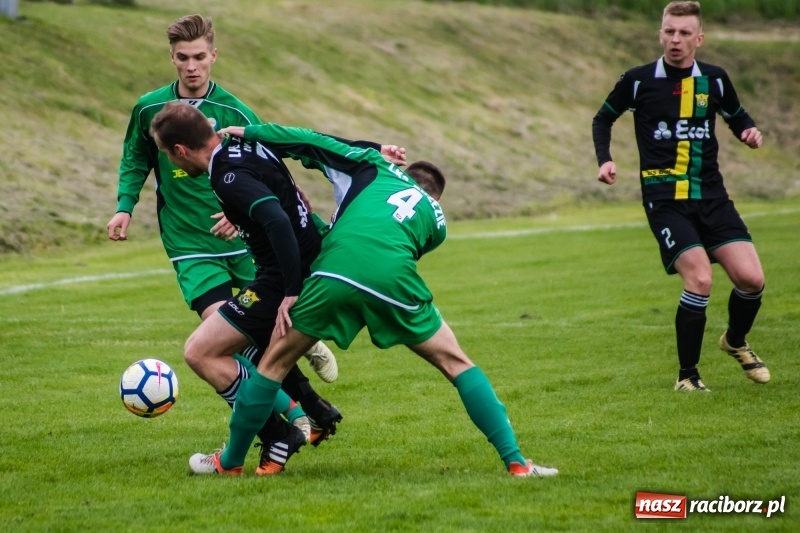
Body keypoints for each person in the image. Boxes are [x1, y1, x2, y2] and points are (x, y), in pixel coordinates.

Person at [148, 102, 559, 478]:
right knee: (457, 363)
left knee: (270, 366)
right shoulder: (438, 220)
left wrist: (255, 131)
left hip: (331, 272)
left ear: (180, 150)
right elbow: (409, 246)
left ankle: (233, 461)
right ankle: (517, 463)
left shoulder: (371, 166)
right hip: (390, 279)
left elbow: (309, 141)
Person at [104, 14, 342, 459]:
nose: (191, 66)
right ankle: (302, 414)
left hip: (248, 245)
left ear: (213, 56)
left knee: (247, 336)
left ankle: (298, 414)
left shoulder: (235, 111)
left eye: (199, 57)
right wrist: (124, 205)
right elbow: (135, 156)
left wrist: (243, 210)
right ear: (171, 58)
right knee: (231, 337)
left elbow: (268, 168)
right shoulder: (148, 109)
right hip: (190, 244)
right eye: (182, 58)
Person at [592, 1, 769, 392]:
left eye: (684, 32)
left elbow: (738, 116)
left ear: (699, 38)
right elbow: (603, 116)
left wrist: (749, 131)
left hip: (712, 196)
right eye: (669, 31)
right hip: (665, 198)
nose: (675, 39)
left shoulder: (716, 80)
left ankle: (735, 342)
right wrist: (605, 160)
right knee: (700, 279)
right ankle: (687, 376)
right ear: (660, 34)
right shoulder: (638, 81)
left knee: (752, 279)